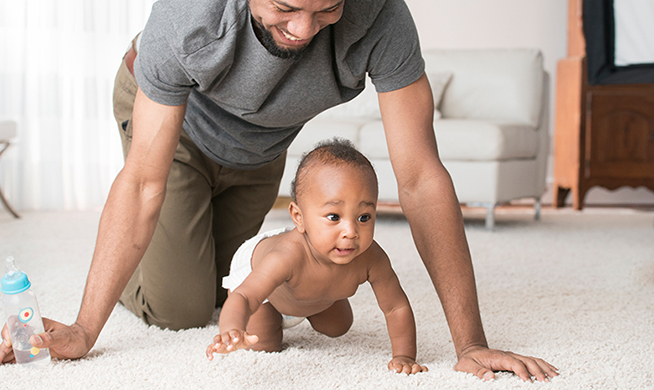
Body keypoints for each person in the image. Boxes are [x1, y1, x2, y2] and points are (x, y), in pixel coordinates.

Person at [1, 0, 558, 382]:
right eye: (285, 7)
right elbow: (145, 183)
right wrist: (81, 328)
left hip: (261, 148)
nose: (304, 29)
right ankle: (129, 276)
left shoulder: (382, 16)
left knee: (241, 286)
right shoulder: (188, 17)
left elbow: (420, 177)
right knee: (183, 307)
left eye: (327, 9)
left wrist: (470, 344)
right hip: (178, 130)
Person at [207, 138, 428, 374]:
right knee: (264, 344)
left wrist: (404, 355)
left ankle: (315, 301)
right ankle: (270, 317)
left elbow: (395, 307)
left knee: (339, 326)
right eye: (334, 216)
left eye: (364, 217)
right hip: (262, 286)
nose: (351, 232)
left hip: (305, 289)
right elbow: (245, 296)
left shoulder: (371, 257)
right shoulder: (285, 256)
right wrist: (232, 329)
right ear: (298, 217)